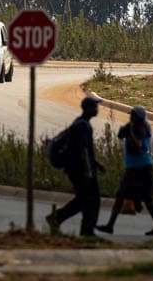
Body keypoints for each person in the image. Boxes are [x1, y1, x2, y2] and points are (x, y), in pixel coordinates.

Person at [97, 106, 153, 236]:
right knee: (121, 196)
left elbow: (138, 147)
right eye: (131, 116)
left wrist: (131, 132)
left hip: (142, 168)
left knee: (146, 199)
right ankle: (111, 225)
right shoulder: (132, 126)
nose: (131, 118)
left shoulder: (142, 128)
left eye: (133, 116)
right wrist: (128, 128)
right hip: (134, 168)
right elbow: (120, 135)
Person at [46, 96, 105, 236]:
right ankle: (76, 226)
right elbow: (82, 150)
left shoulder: (81, 123)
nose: (97, 109)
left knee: (86, 199)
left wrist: (96, 164)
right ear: (88, 109)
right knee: (90, 200)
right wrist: (89, 170)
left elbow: (85, 150)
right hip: (79, 170)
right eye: (95, 106)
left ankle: (83, 228)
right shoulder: (82, 126)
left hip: (79, 168)